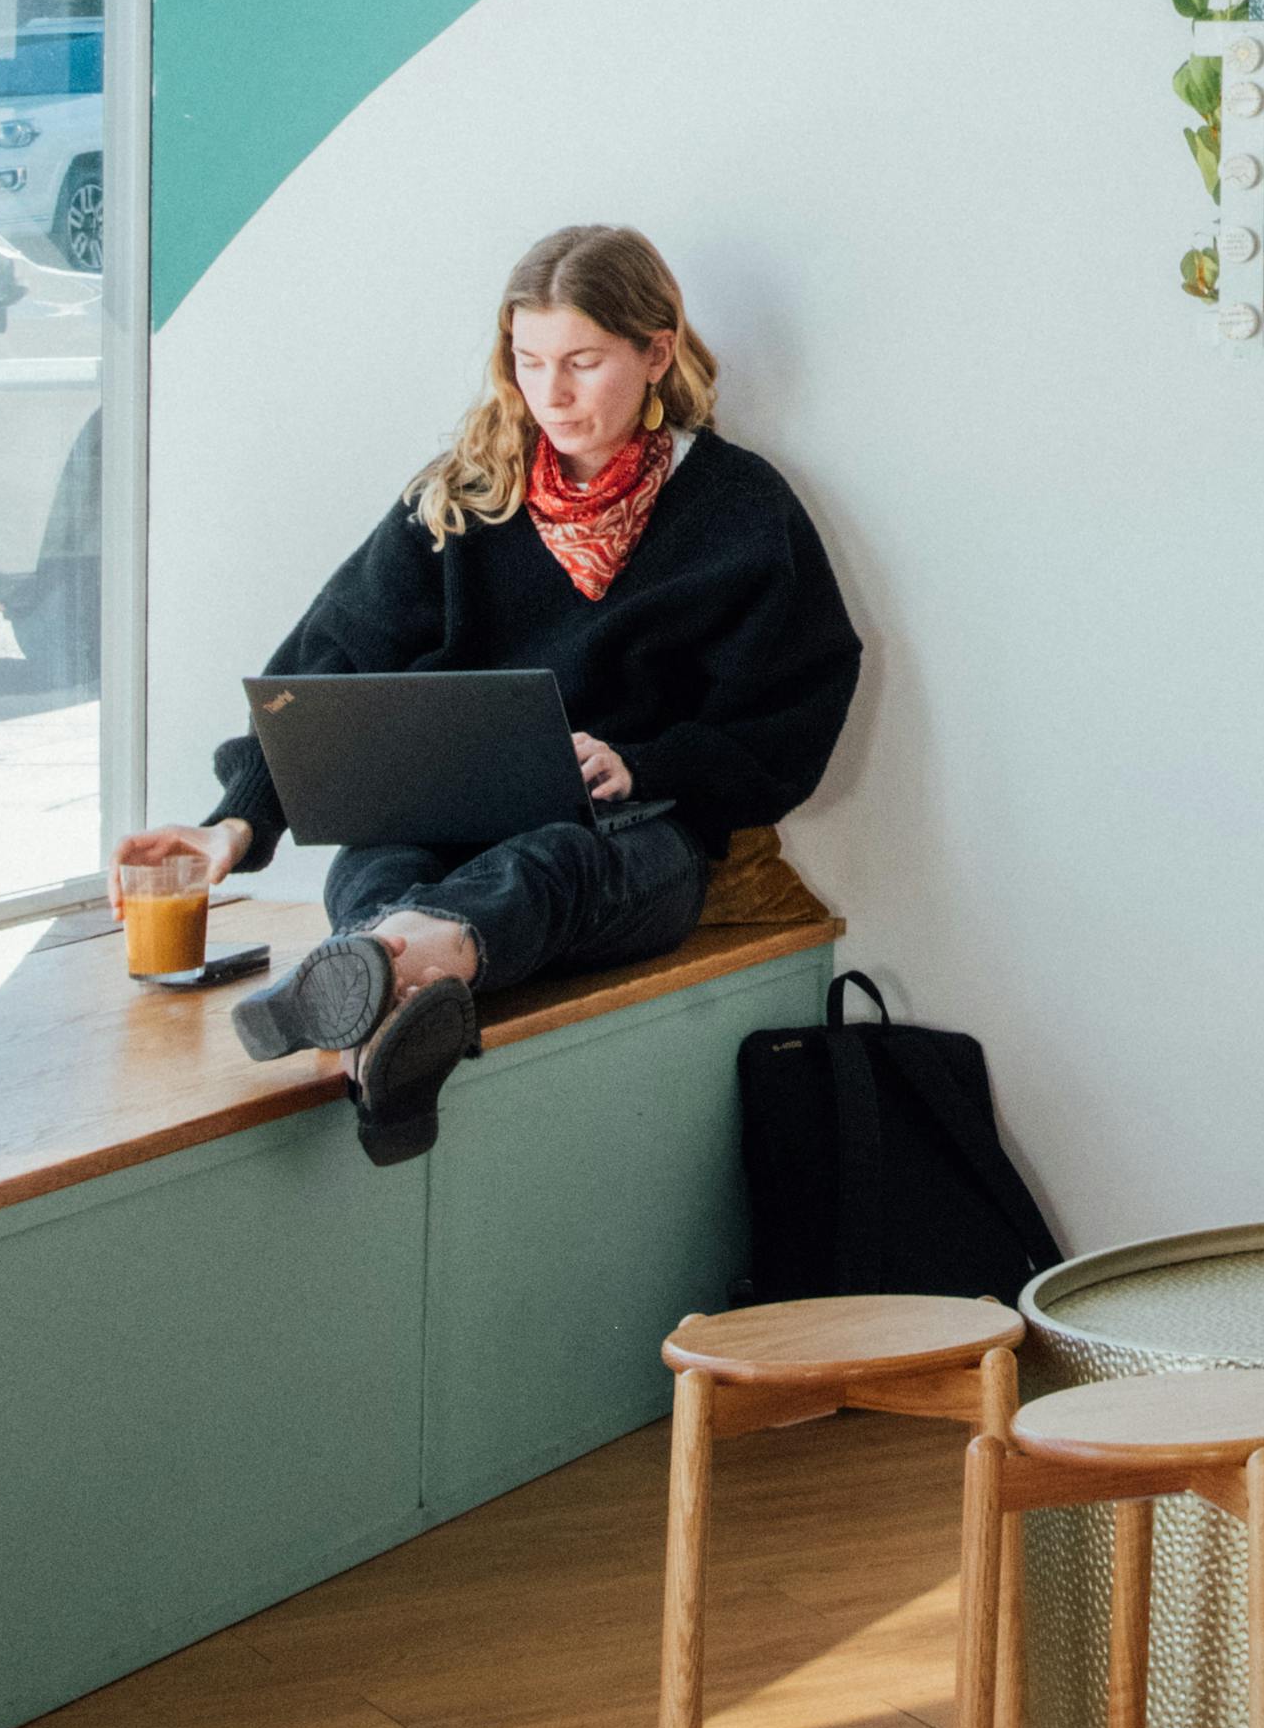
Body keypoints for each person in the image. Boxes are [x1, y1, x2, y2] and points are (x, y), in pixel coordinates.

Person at [114, 225, 861, 1164]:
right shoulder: (462, 497)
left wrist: (643, 763)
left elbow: (795, 712)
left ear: (656, 351)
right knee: (377, 861)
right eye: (530, 360)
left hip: (636, 845)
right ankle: (398, 1014)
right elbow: (327, 666)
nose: (552, 393)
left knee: (553, 859)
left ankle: (364, 978)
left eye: (583, 362)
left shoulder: (741, 508)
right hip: (446, 833)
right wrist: (236, 823)